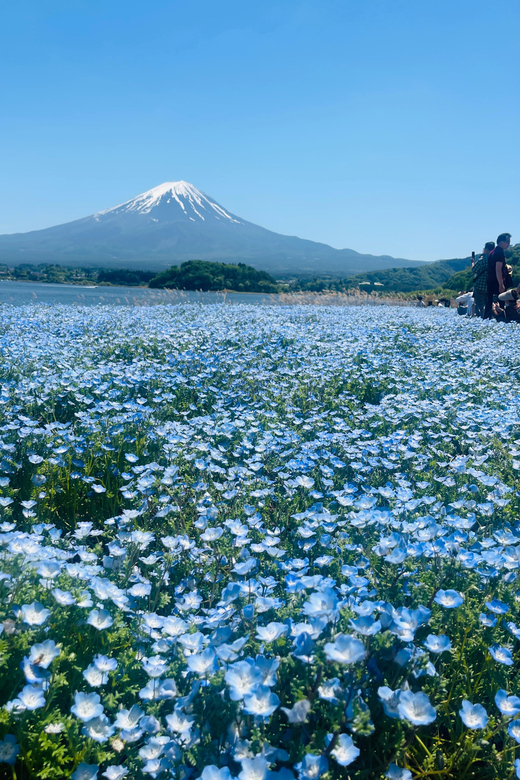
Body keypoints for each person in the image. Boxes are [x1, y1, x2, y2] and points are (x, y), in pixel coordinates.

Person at [485, 233, 512, 319]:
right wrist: (501, 284)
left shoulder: (492, 252)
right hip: (496, 282)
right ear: (501, 242)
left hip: (490, 280)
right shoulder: (499, 253)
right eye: (507, 241)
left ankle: (486, 320)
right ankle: (499, 321)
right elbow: (498, 269)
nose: (508, 244)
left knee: (490, 303)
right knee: (500, 302)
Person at [472, 242, 495, 317]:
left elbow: (474, 270)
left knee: (479, 306)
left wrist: (472, 262)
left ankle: (480, 319)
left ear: (486, 249)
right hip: (490, 286)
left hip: (480, 286)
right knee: (488, 305)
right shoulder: (495, 260)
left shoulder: (482, 260)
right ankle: (488, 318)